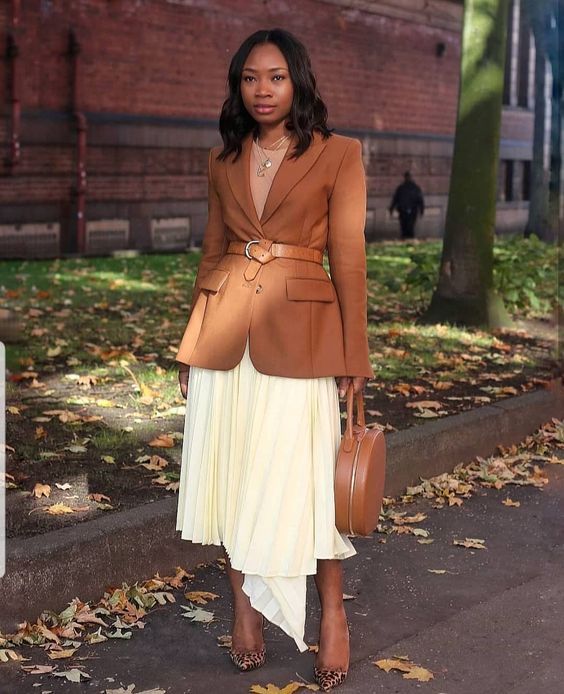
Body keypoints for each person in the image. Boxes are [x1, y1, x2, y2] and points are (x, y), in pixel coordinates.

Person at [174, 28, 373, 692]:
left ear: (299, 83)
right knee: (235, 475)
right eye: (251, 78)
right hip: (225, 334)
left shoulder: (339, 154)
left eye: (277, 77)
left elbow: (349, 258)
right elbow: (211, 252)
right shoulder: (221, 158)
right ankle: (245, 604)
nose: (263, 90)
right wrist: (191, 342)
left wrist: (355, 353)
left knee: (309, 480)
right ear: (237, 86)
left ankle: (333, 610)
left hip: (306, 337)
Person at [389, 171, 425, 239]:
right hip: (406, 210)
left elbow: (420, 200)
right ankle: (407, 238)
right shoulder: (404, 188)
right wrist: (421, 210)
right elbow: (396, 199)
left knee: (407, 226)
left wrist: (421, 210)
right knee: (406, 226)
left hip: (408, 210)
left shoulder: (412, 188)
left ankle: (408, 238)